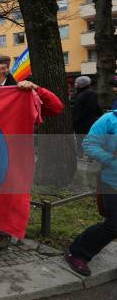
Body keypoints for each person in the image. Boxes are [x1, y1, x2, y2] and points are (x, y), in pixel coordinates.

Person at [0, 54, 64, 251]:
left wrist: (37, 89)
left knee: (10, 193)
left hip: (14, 153)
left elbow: (56, 107)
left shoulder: (22, 91)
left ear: (4, 68)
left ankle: (4, 231)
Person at [65, 108, 117, 276]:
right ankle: (78, 252)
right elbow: (89, 144)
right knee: (114, 224)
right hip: (112, 182)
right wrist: (110, 159)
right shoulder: (109, 120)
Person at [72, 76, 103, 154]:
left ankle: (89, 156)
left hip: (86, 122)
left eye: (77, 83)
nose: (76, 85)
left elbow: (91, 108)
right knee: (80, 139)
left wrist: (79, 118)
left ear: (82, 84)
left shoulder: (90, 93)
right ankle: (80, 154)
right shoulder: (80, 93)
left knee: (87, 139)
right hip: (79, 122)